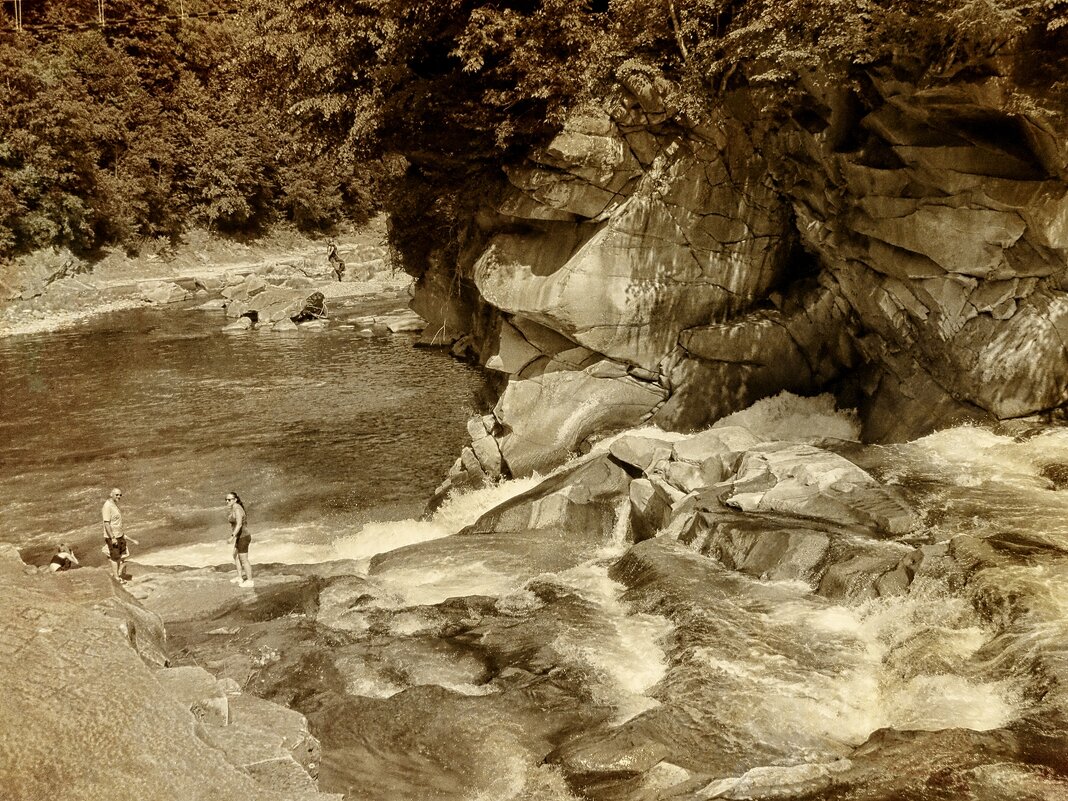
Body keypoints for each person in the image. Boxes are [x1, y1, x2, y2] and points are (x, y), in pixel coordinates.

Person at [102, 487, 130, 583]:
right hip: (113, 537)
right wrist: (112, 537)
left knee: (120, 556)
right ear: (111, 495)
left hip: (119, 535)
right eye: (117, 495)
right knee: (115, 557)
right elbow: (106, 523)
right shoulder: (107, 506)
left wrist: (122, 535)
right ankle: (116, 578)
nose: (119, 496)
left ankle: (118, 575)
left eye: (120, 495)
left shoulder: (114, 505)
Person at [226, 492, 253, 588]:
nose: (227, 501)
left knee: (244, 559)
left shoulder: (237, 508)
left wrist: (232, 536)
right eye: (226, 499)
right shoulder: (234, 508)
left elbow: (239, 524)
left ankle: (250, 581)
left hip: (243, 537)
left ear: (235, 499)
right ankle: (240, 577)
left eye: (229, 499)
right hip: (240, 536)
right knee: (235, 556)